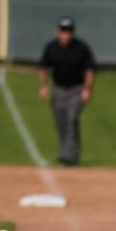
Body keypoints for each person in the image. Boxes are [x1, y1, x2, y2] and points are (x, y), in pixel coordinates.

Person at [38, 16, 95, 166]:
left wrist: (87, 89)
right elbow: (44, 68)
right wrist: (43, 86)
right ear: (58, 31)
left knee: (72, 118)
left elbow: (89, 70)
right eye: (63, 31)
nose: (65, 34)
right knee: (61, 121)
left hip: (76, 89)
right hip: (58, 89)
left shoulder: (81, 48)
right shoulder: (51, 48)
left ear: (73, 32)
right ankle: (66, 152)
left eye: (68, 31)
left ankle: (70, 155)